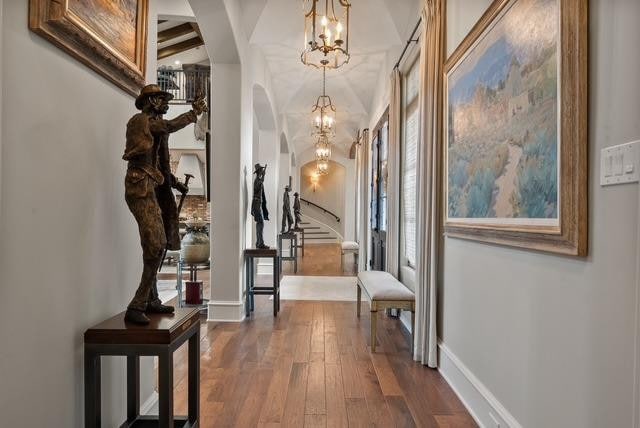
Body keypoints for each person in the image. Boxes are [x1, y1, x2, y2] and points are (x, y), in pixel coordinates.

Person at [123, 84, 207, 324]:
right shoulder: (141, 121)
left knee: (154, 245)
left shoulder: (159, 130)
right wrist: (194, 113)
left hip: (153, 187)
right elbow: (168, 125)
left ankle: (151, 299)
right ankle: (137, 304)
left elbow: (160, 163)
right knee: (156, 243)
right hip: (140, 188)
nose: (165, 102)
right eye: (161, 99)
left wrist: (175, 183)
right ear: (150, 101)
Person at [251, 164, 270, 248]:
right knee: (260, 223)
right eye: (261, 170)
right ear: (259, 171)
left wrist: (263, 175)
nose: (263, 171)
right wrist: (264, 175)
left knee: (260, 223)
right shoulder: (257, 181)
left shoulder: (258, 180)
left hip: (258, 204)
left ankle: (259, 242)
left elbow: (261, 182)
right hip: (256, 204)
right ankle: (260, 243)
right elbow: (260, 183)